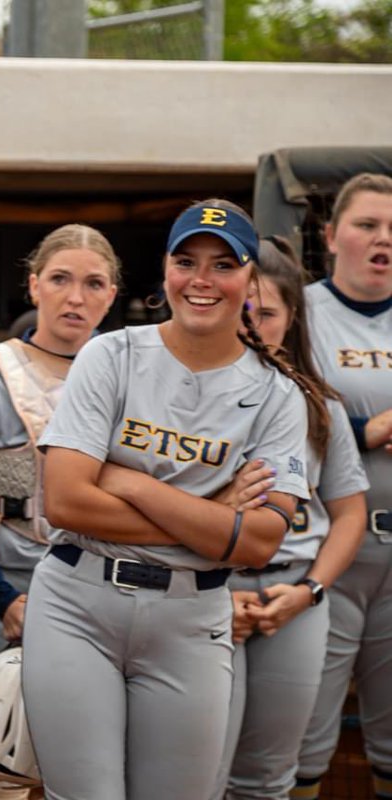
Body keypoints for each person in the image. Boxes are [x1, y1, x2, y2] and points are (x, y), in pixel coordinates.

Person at [22, 200, 319, 800]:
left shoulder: (278, 395)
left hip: (192, 617)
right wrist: (214, 517)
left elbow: (260, 542)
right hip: (79, 602)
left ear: (250, 280)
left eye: (223, 264)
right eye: (186, 262)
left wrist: (128, 481)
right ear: (165, 272)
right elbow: (67, 502)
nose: (202, 280)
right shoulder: (113, 355)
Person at [0, 224, 120, 800]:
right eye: (61, 279)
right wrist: (2, 600)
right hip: (2, 592)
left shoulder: (128, 372)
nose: (76, 297)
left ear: (112, 294)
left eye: (94, 283)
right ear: (34, 285)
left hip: (93, 595)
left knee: (83, 769)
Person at [216, 236, 368, 800]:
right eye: (244, 308)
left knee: (270, 774)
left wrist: (309, 589)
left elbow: (349, 512)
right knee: (198, 771)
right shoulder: (189, 394)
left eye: (268, 313)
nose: (253, 323)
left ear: (292, 319)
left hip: (295, 600)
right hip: (212, 596)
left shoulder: (316, 403)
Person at [296, 172, 392, 800]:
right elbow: (270, 417)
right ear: (331, 236)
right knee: (302, 739)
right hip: (327, 551)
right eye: (367, 224)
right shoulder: (300, 311)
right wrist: (369, 427)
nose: (383, 239)